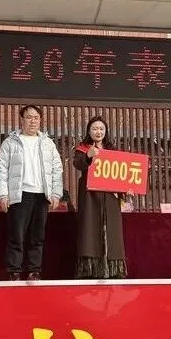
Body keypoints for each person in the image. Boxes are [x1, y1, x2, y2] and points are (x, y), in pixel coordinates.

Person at [0, 105, 63, 281]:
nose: (33, 121)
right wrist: (3, 195)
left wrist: (56, 194)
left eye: (36, 118)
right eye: (29, 117)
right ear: (22, 119)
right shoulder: (10, 142)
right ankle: (14, 271)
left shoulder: (48, 143)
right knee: (16, 236)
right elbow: (1, 169)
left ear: (40, 121)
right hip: (19, 194)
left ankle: (34, 270)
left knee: (37, 236)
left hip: (41, 195)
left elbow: (57, 169)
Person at [73, 116, 129, 279]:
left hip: (110, 196)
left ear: (106, 131)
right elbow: (78, 164)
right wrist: (88, 155)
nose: (98, 132)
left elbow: (121, 174)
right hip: (90, 195)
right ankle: (90, 269)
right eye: (95, 128)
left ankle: (113, 269)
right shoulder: (82, 148)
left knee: (112, 231)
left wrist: (127, 189)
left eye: (101, 129)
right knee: (90, 230)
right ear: (89, 131)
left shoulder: (113, 150)